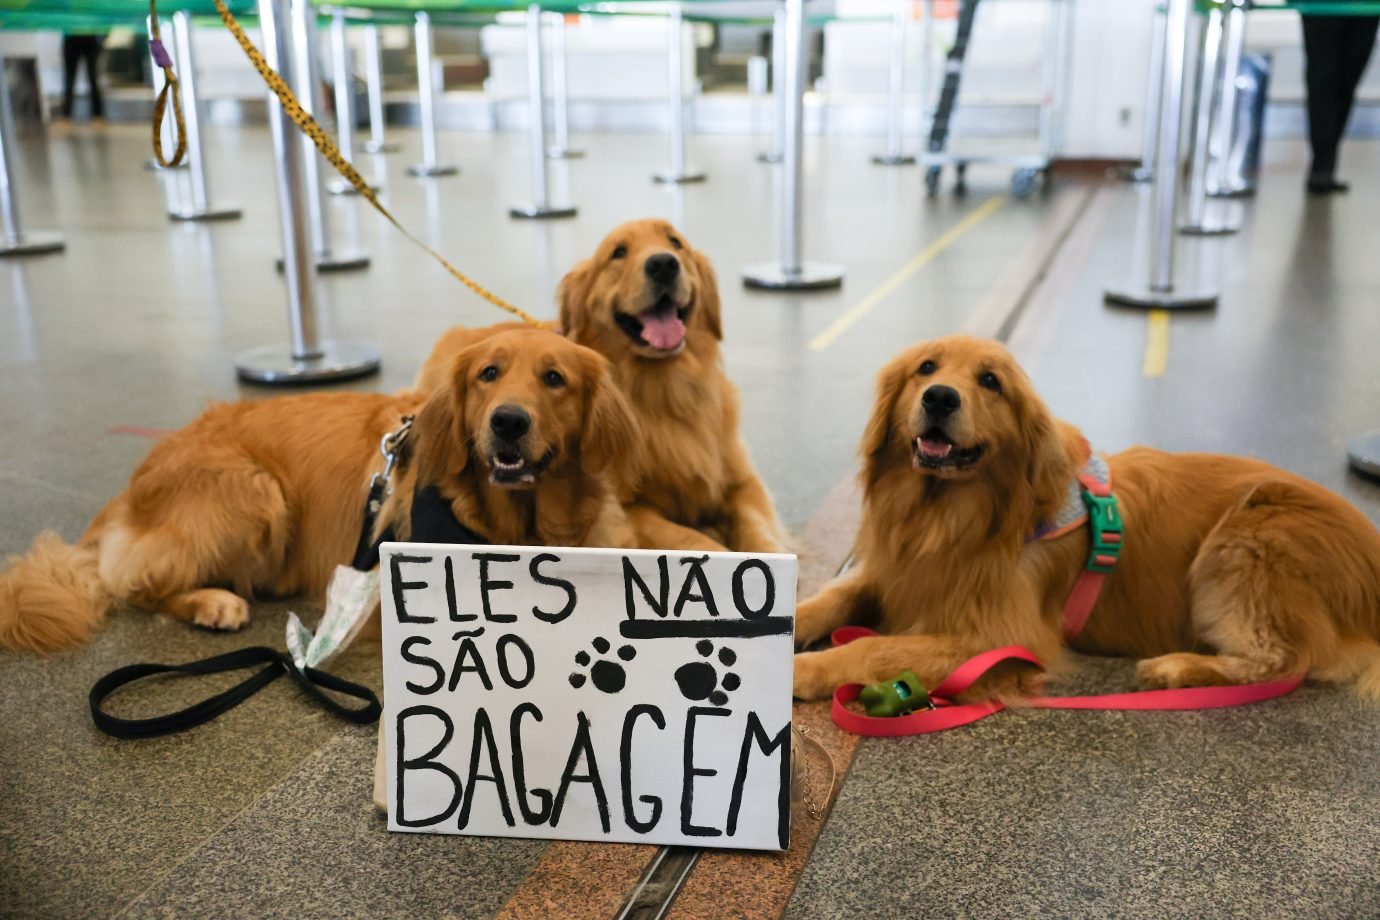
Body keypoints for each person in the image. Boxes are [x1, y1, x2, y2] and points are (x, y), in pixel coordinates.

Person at [1300, 5, 1380, 193]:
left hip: (1365, 8)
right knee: (1322, 78)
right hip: (1321, 8)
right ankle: (1321, 166)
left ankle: (1325, 165)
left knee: (1348, 80)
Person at [58, 32, 107, 124]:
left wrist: (102, 39)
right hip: (71, 37)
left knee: (92, 78)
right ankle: (66, 115)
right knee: (69, 79)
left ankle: (98, 114)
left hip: (89, 38)